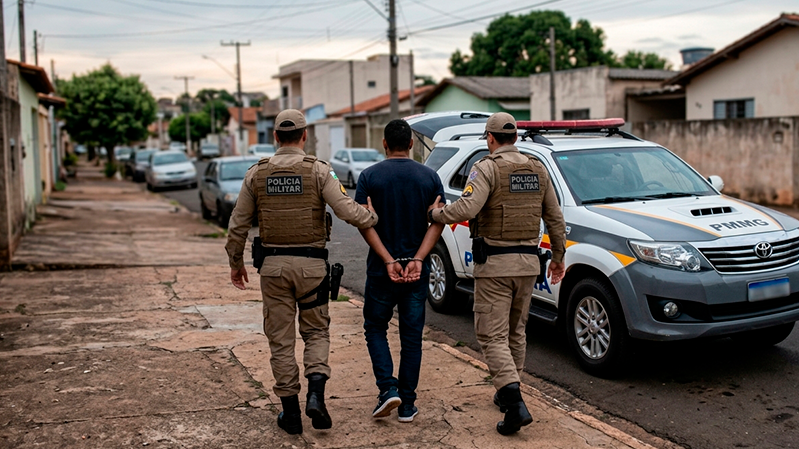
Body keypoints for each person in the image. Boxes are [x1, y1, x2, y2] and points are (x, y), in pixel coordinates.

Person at [225, 109, 378, 435]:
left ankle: (291, 415)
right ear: (305, 136)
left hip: (274, 269)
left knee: (281, 341)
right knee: (316, 332)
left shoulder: (256, 174)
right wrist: (371, 217)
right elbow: (345, 209)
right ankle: (316, 397)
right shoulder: (319, 170)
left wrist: (235, 262)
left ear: (275, 137)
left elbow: (237, 224)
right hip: (312, 269)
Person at [427, 112, 567, 435]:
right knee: (516, 332)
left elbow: (467, 208)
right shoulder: (538, 168)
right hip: (529, 266)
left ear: (490, 138)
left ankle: (514, 404)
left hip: (495, 267)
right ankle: (508, 392)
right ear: (515, 137)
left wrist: (436, 214)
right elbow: (555, 218)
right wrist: (558, 258)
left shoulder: (486, 168)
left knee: (491, 335)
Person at [354, 119, 445, 423]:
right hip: (416, 273)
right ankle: (407, 404)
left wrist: (388, 259)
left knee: (375, 328)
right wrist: (418, 258)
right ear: (411, 144)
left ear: (384, 144)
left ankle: (387, 389)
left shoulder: (369, 176)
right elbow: (438, 221)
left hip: (382, 271)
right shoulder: (430, 177)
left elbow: (364, 222)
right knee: (412, 338)